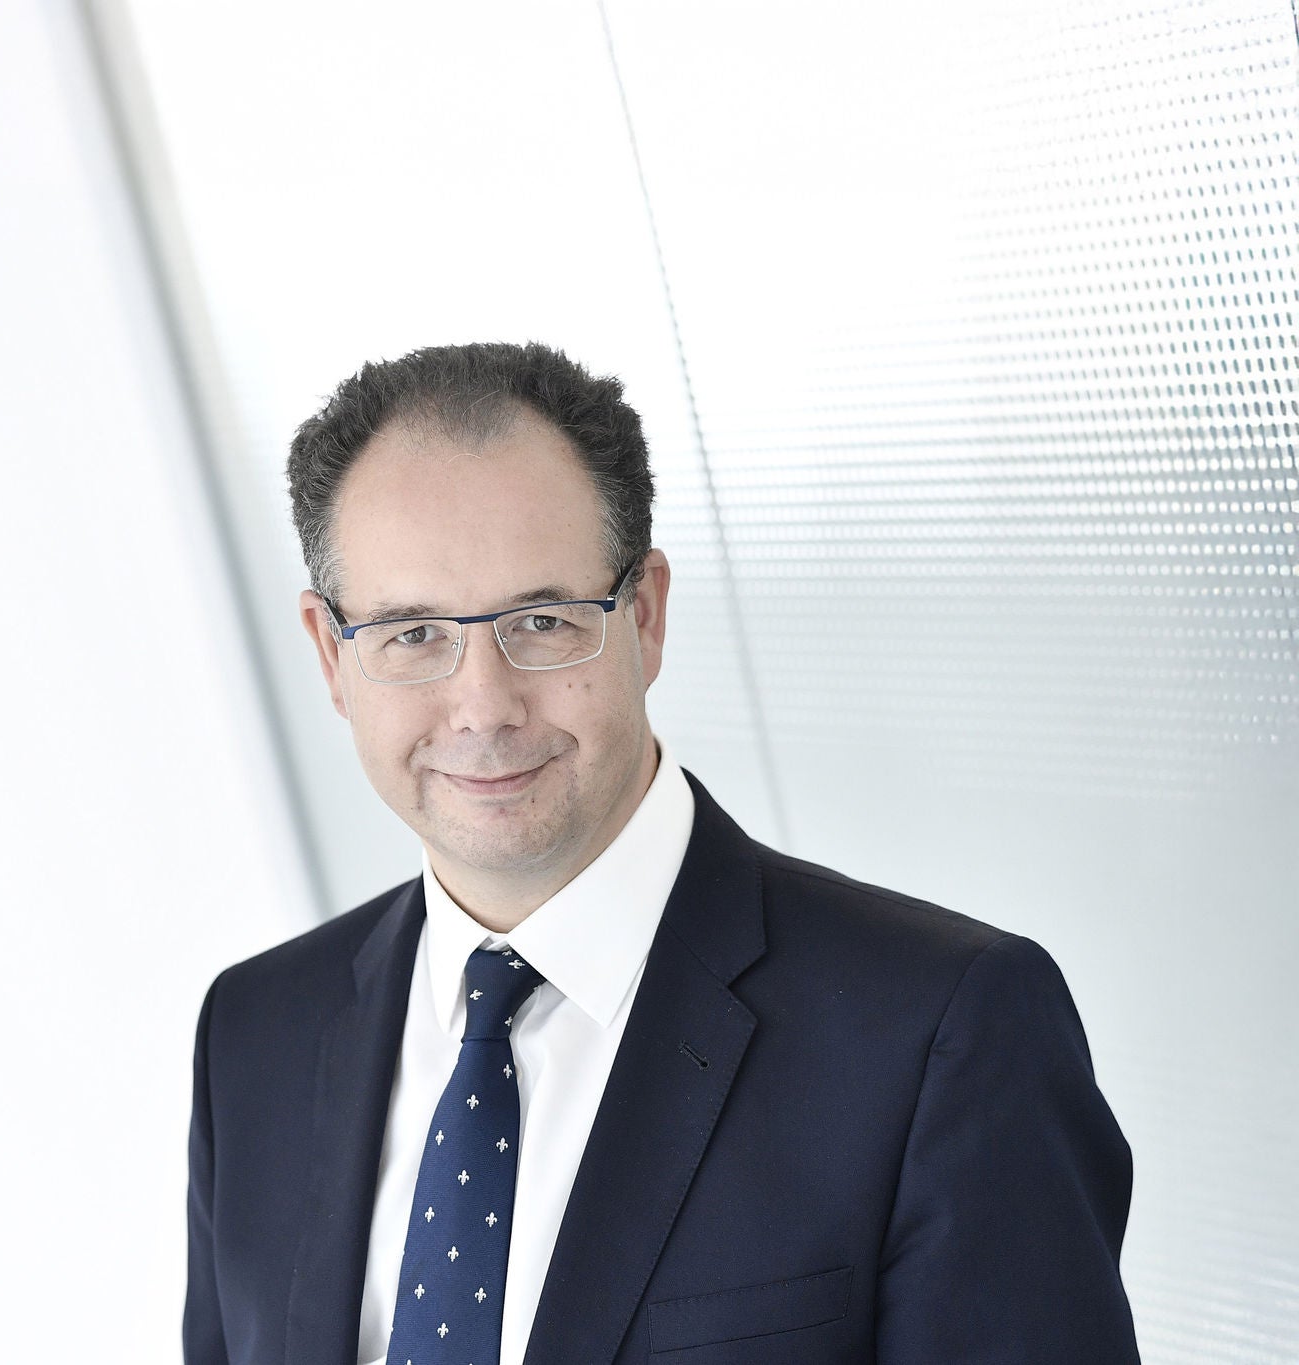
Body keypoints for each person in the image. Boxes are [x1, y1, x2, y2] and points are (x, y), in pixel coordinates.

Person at [182, 342, 1139, 1365]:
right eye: (412, 634)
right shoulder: (255, 1036)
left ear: (643, 615)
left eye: (541, 621)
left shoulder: (939, 1033)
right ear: (331, 655)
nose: (482, 708)